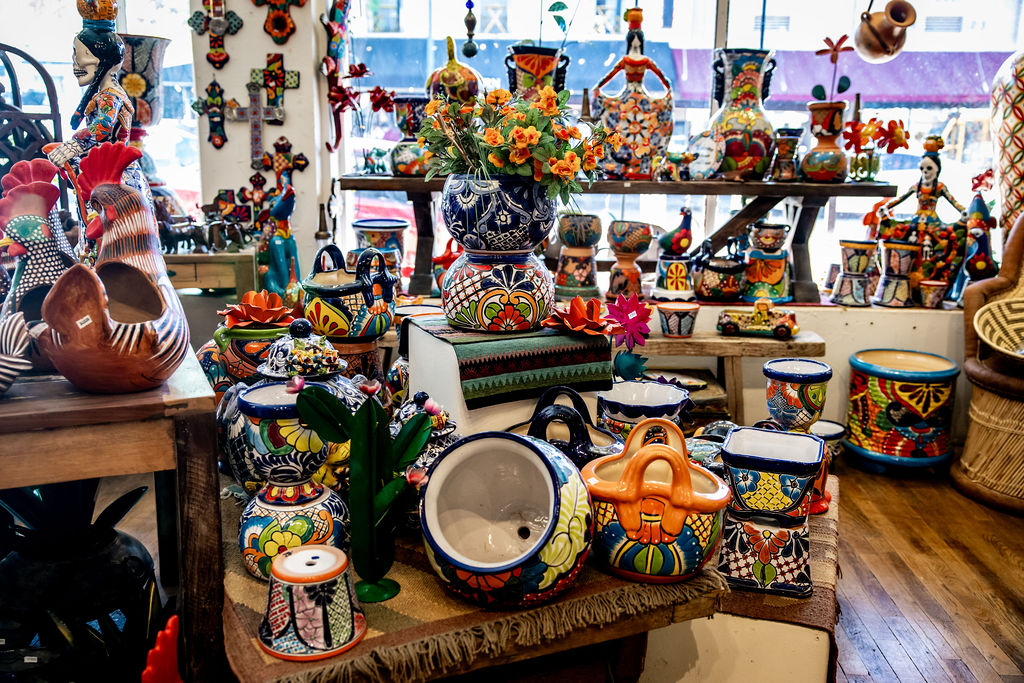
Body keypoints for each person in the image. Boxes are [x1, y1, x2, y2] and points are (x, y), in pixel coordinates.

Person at [591, 7, 673, 179]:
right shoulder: (627, 60)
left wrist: (668, 89)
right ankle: (616, 166)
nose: (635, 42)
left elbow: (662, 77)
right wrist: (598, 88)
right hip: (629, 97)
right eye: (633, 39)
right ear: (630, 41)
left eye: (638, 40)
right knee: (613, 123)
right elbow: (610, 75)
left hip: (637, 98)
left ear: (641, 41)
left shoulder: (644, 60)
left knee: (650, 123)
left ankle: (643, 167)